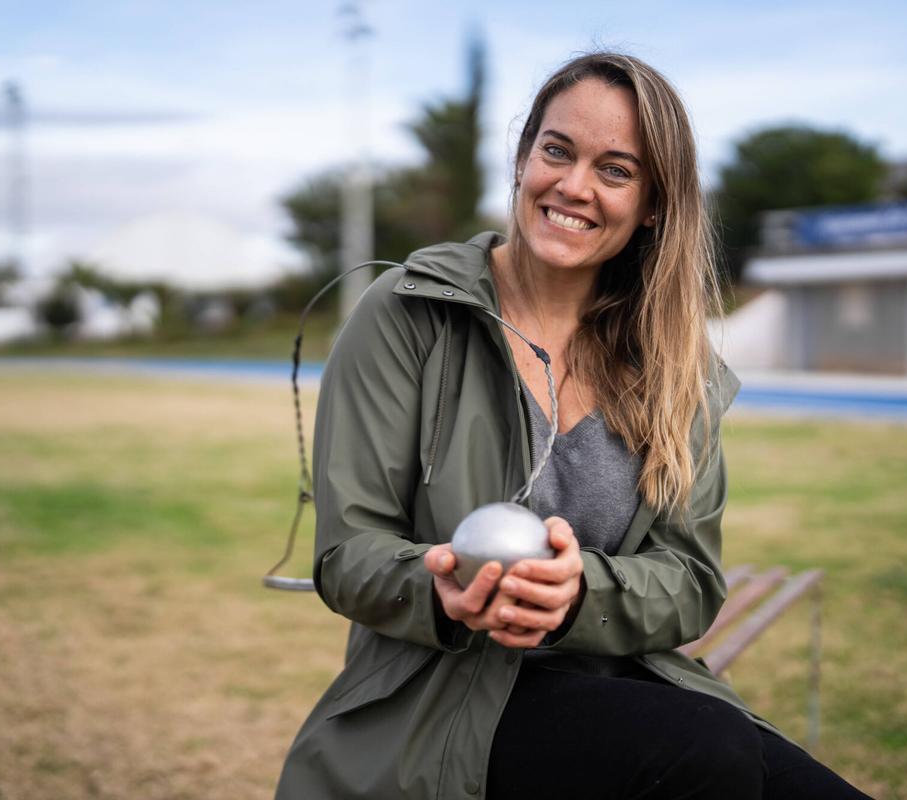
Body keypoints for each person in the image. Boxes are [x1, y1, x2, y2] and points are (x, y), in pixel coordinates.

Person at [275, 52, 872, 800]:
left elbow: (690, 581)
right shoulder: (408, 314)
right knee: (704, 750)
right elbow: (348, 554)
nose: (574, 186)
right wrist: (441, 590)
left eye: (615, 170)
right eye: (557, 151)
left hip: (631, 684)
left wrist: (577, 595)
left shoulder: (671, 364)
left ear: (652, 205)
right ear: (523, 159)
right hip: (445, 696)